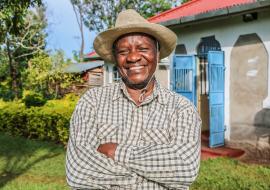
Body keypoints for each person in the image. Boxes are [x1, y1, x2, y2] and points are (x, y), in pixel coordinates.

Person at [66, 9, 201, 190]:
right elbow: (79, 172)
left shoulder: (181, 109)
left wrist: (116, 151)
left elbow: (185, 169)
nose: (133, 57)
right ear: (115, 58)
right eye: (123, 51)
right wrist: (152, 179)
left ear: (158, 54)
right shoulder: (92, 102)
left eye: (143, 48)